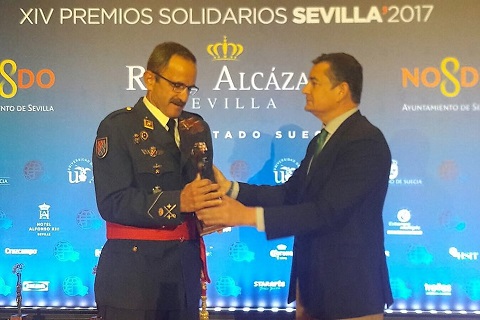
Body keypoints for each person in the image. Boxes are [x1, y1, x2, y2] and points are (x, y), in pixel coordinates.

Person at [197, 53, 394, 320]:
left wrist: (245, 216)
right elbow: (290, 194)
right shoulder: (321, 141)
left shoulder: (364, 141)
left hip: (350, 293)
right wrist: (230, 189)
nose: (305, 89)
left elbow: (327, 211)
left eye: (314, 82)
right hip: (312, 290)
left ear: (341, 91)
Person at [92, 42, 222, 320]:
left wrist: (212, 213)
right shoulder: (118, 127)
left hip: (183, 275)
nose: (183, 96)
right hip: (133, 279)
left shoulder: (196, 128)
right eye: (176, 85)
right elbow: (112, 202)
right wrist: (180, 201)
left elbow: (201, 193)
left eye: (189, 88)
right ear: (149, 79)